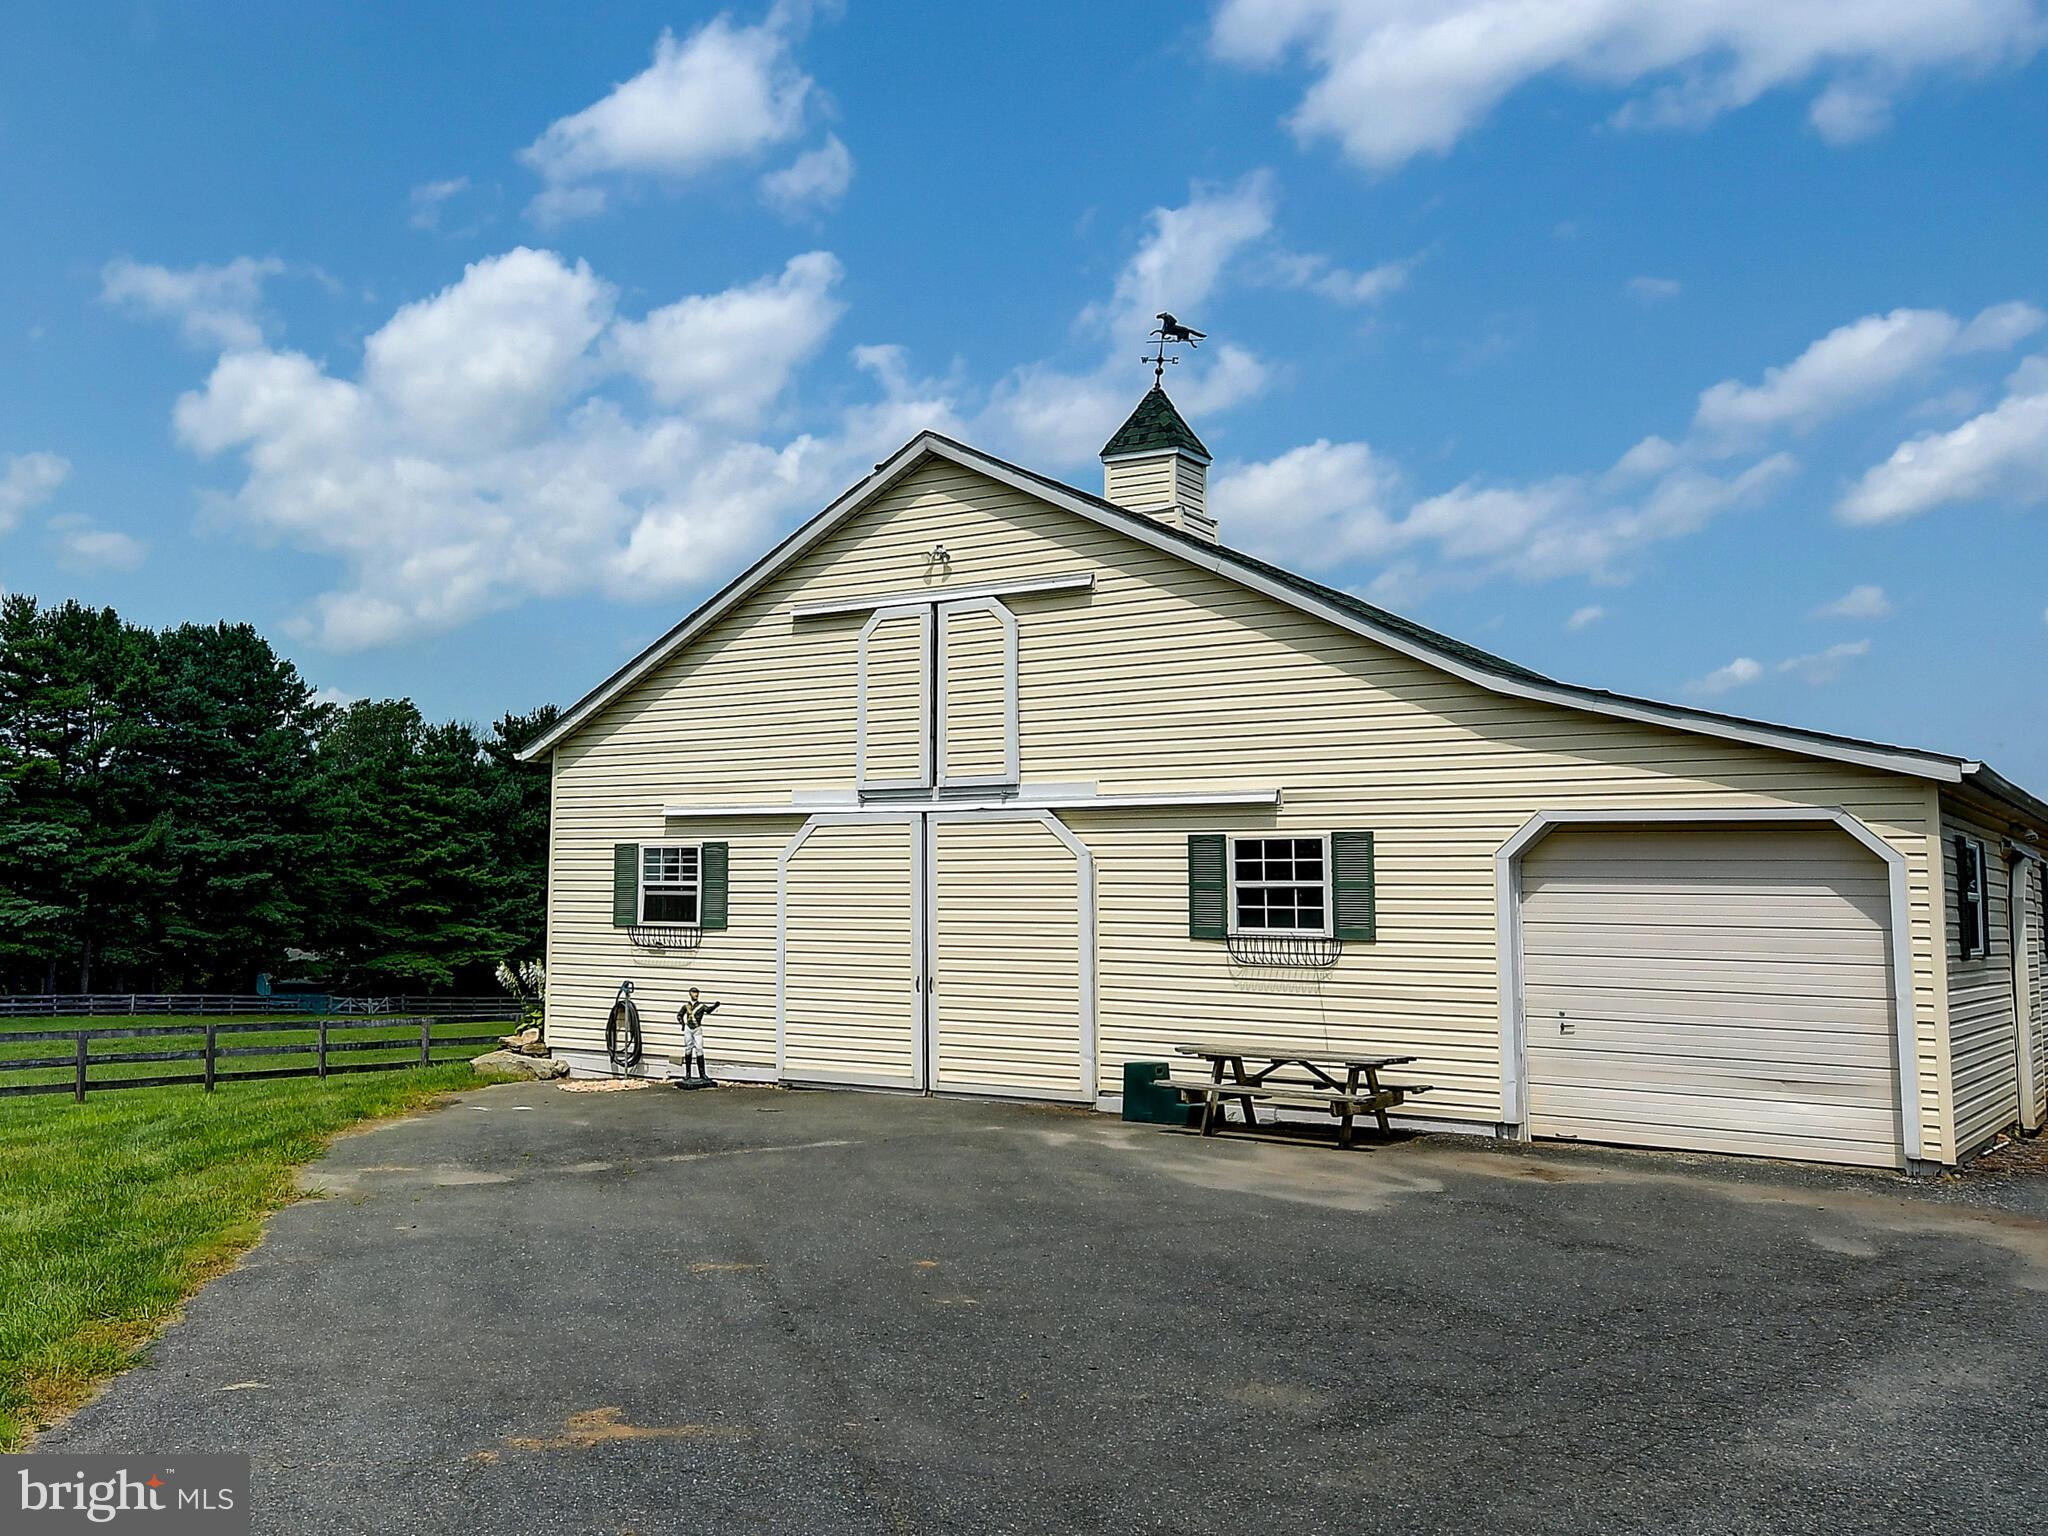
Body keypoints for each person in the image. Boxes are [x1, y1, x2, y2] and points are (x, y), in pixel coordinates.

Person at [674, 988, 720, 1088]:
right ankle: (688, 1074)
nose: (696, 994)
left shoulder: (701, 1006)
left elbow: (708, 1010)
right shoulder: (686, 1006)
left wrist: (715, 1006)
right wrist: (682, 1024)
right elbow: (679, 1015)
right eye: (694, 993)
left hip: (697, 1029)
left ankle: (702, 1074)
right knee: (688, 1049)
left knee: (699, 1049)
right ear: (690, 994)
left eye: (697, 993)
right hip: (688, 1029)